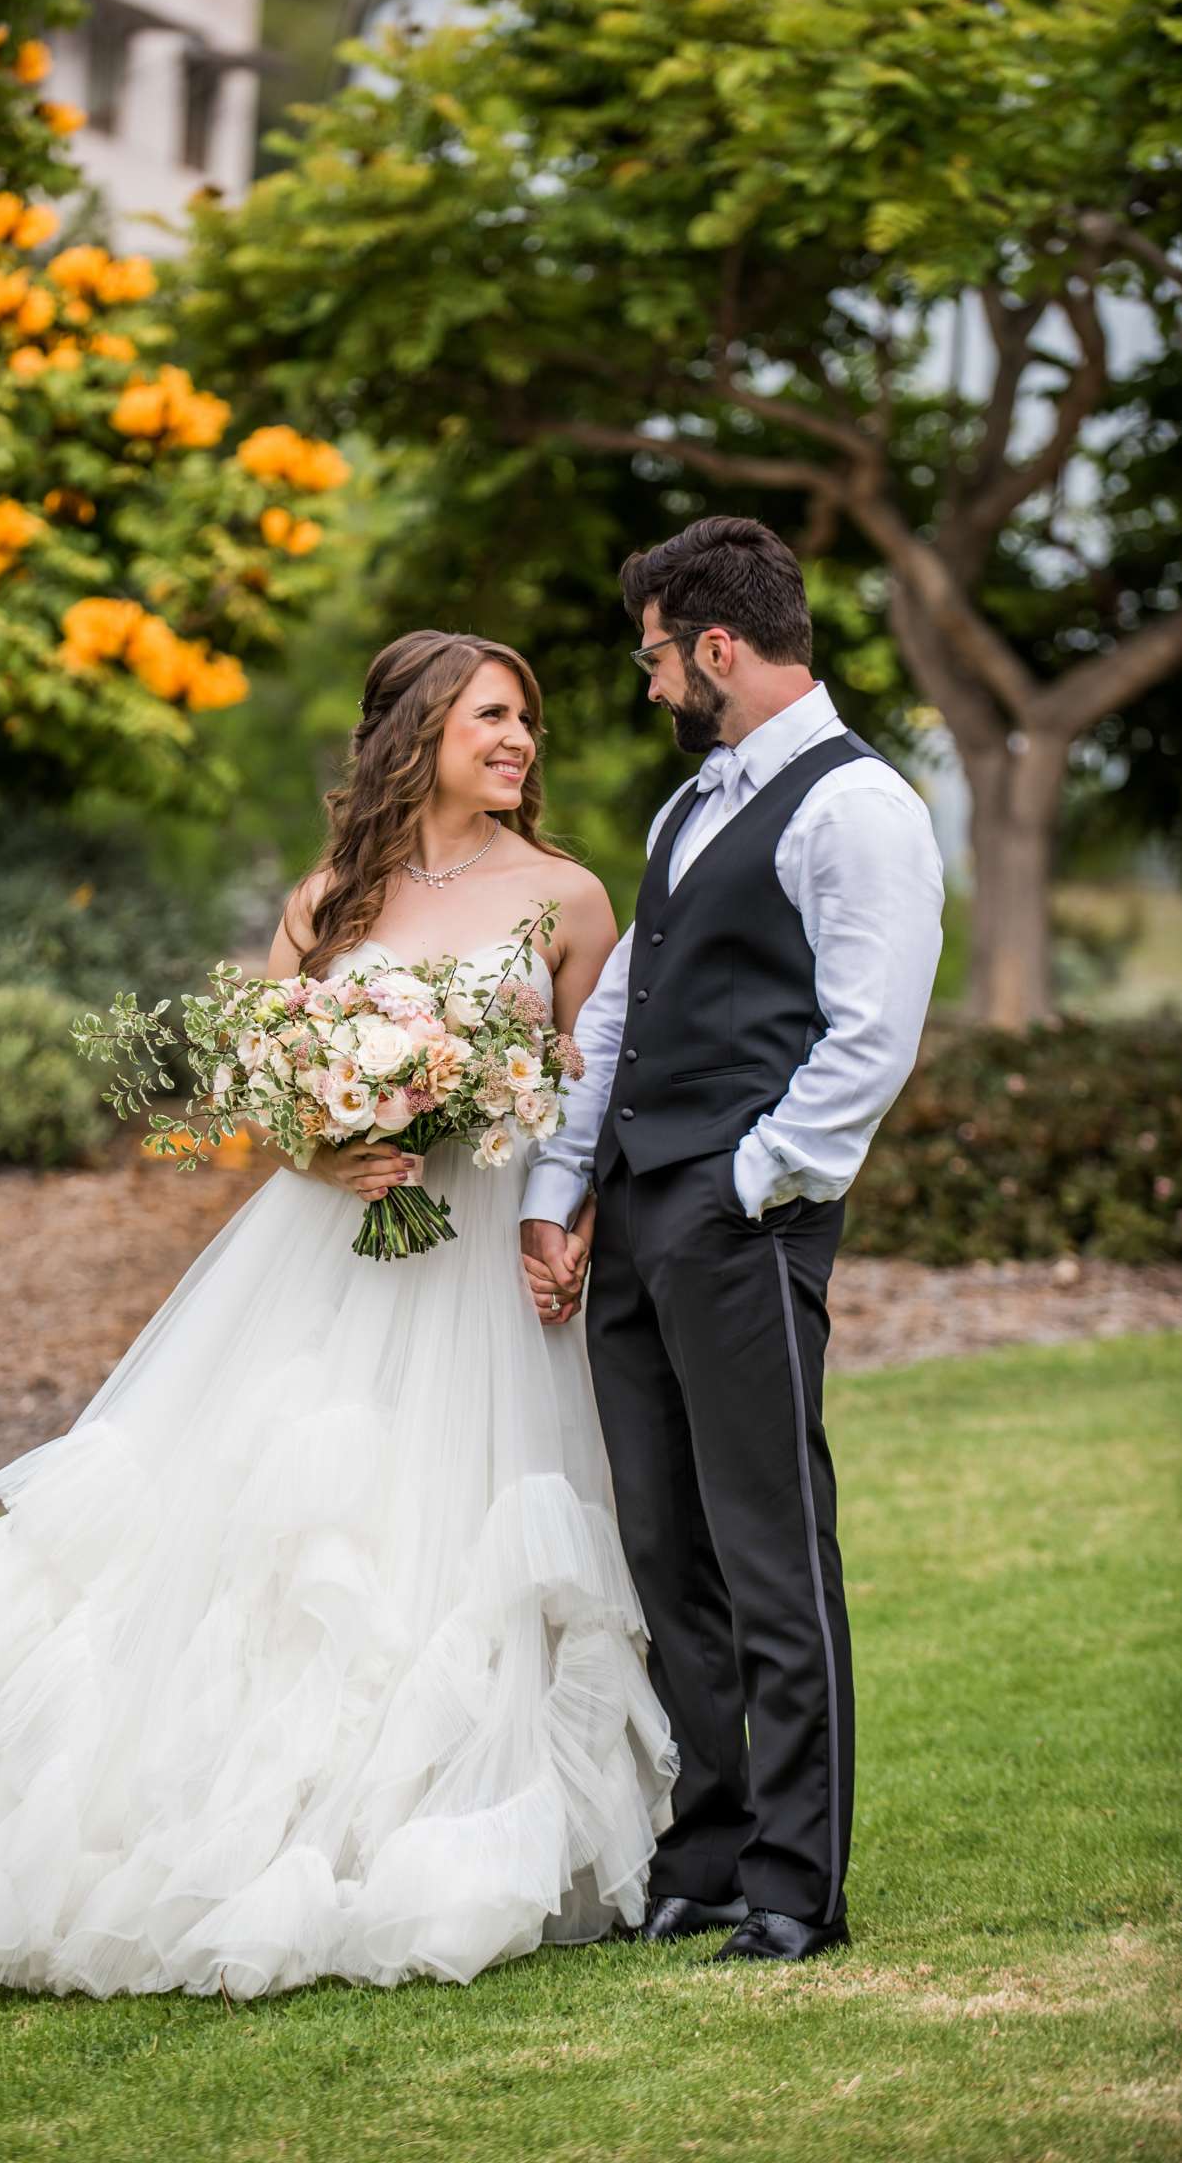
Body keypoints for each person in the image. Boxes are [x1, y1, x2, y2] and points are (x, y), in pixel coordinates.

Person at [0, 630, 678, 2002]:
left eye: (526, 722)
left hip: (486, 1260)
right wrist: (327, 1146)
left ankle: (454, 1827)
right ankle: (203, 1828)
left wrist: (570, 1223)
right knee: (289, 1527)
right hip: (329, 1257)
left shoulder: (567, 898)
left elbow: (590, 1095)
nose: (520, 742)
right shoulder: (327, 900)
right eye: (493, 716)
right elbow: (264, 1096)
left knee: (471, 1516)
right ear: (418, 726)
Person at [521, 516, 944, 1962]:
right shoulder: (686, 804)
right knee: (663, 1545)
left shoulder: (857, 807)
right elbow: (626, 1014)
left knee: (769, 1545)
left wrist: (754, 1180)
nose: (645, 686)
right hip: (640, 1214)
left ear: (715, 645)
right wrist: (559, 1191)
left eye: (651, 655)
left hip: (740, 1216)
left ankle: (792, 1884)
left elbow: (869, 1036)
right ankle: (703, 1850)